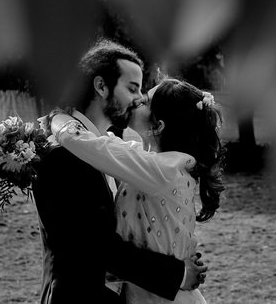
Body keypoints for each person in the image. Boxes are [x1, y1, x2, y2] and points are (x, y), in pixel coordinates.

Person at [32, 39, 207, 303]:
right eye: (133, 88)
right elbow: (96, 246)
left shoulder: (118, 152)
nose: (138, 99)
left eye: (143, 94)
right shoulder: (63, 156)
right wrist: (178, 272)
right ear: (101, 86)